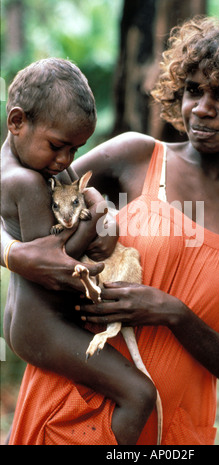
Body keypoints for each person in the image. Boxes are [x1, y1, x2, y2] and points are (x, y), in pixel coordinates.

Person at [2, 16, 219, 445]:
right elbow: (14, 197)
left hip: (171, 431)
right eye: (194, 89)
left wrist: (172, 313)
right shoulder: (134, 156)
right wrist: (11, 253)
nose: (202, 108)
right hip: (72, 411)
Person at [1, 57, 158, 446]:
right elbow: (59, 264)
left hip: (32, 318)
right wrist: (97, 216)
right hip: (42, 325)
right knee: (139, 394)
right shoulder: (26, 182)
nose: (67, 160)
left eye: (76, 149)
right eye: (58, 146)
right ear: (17, 121)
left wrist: (94, 200)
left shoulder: (41, 166)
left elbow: (77, 191)